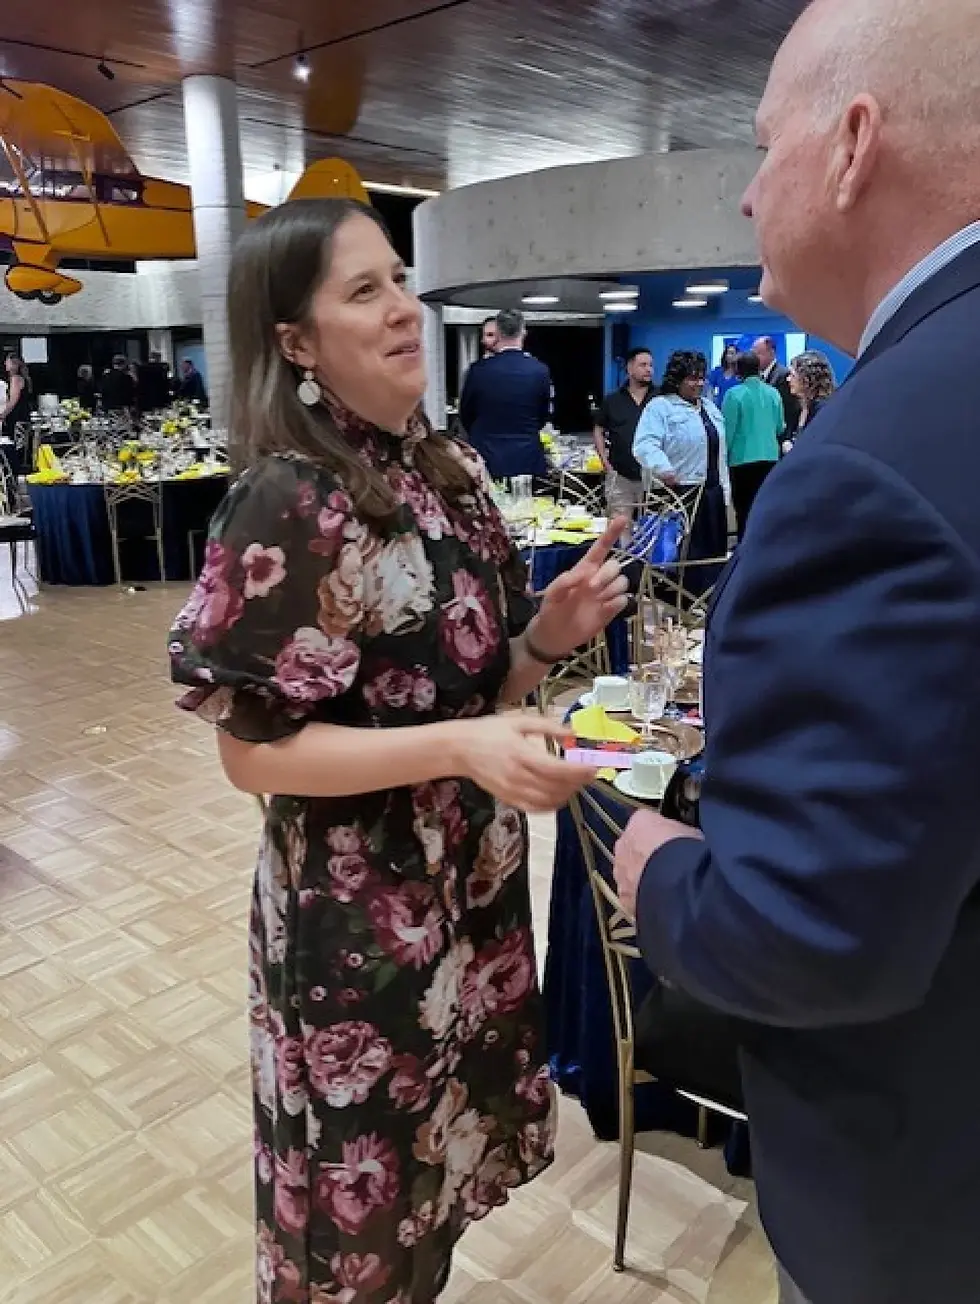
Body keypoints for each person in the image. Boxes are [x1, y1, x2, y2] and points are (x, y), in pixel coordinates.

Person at [168, 197, 630, 1303]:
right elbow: (253, 752)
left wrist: (544, 638)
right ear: (294, 339)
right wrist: (465, 742)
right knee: (357, 1239)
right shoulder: (288, 496)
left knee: (433, 1196)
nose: (401, 310)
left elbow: (477, 684)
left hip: (464, 903)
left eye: (401, 280)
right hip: (357, 932)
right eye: (362, 290)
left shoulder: (445, 470)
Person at [613, 1, 980, 1302]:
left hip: (924, 1212)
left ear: (853, 144)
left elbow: (807, 935)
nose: (749, 194)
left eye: (765, 146)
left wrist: (649, 859)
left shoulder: (875, 464)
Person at [633, 349, 730, 591]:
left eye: (701, 377)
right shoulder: (660, 407)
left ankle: (707, 603)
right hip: (677, 493)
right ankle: (679, 610)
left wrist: (725, 491)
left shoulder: (710, 409)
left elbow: (720, 453)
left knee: (711, 557)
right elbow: (644, 444)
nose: (698, 383)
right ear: (677, 379)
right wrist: (663, 468)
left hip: (711, 495)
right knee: (679, 558)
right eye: (692, 378)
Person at [458, 308, 552, 480]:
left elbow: (466, 414)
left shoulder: (478, 370)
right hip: (526, 458)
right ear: (523, 332)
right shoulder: (540, 371)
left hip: (486, 457)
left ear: (498, 333)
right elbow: (543, 415)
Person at [721, 350, 784, 537]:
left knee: (744, 512)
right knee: (766, 510)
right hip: (771, 459)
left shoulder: (734, 395)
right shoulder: (774, 393)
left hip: (742, 461)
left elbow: (728, 432)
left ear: (738, 371)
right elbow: (780, 427)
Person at [592, 346, 655, 523]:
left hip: (653, 476)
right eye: (643, 365)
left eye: (651, 365)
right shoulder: (613, 400)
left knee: (651, 528)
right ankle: (623, 552)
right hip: (620, 474)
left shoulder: (660, 398)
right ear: (629, 368)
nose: (648, 369)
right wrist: (605, 462)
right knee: (619, 526)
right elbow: (598, 428)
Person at [785, 349, 836, 448]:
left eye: (792, 375)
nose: (788, 379)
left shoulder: (823, 410)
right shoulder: (801, 407)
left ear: (808, 379)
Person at [752, 334, 800, 434]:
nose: (754, 358)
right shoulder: (756, 377)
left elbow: (790, 410)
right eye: (753, 354)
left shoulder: (783, 375)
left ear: (771, 353)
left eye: (758, 354)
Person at [0, 355, 32, 474]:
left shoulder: (15, 379)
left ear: (13, 364)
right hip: (22, 414)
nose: (5, 364)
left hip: (17, 416)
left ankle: (17, 471)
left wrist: (3, 414)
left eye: (7, 362)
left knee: (17, 445)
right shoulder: (21, 378)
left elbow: (13, 400)